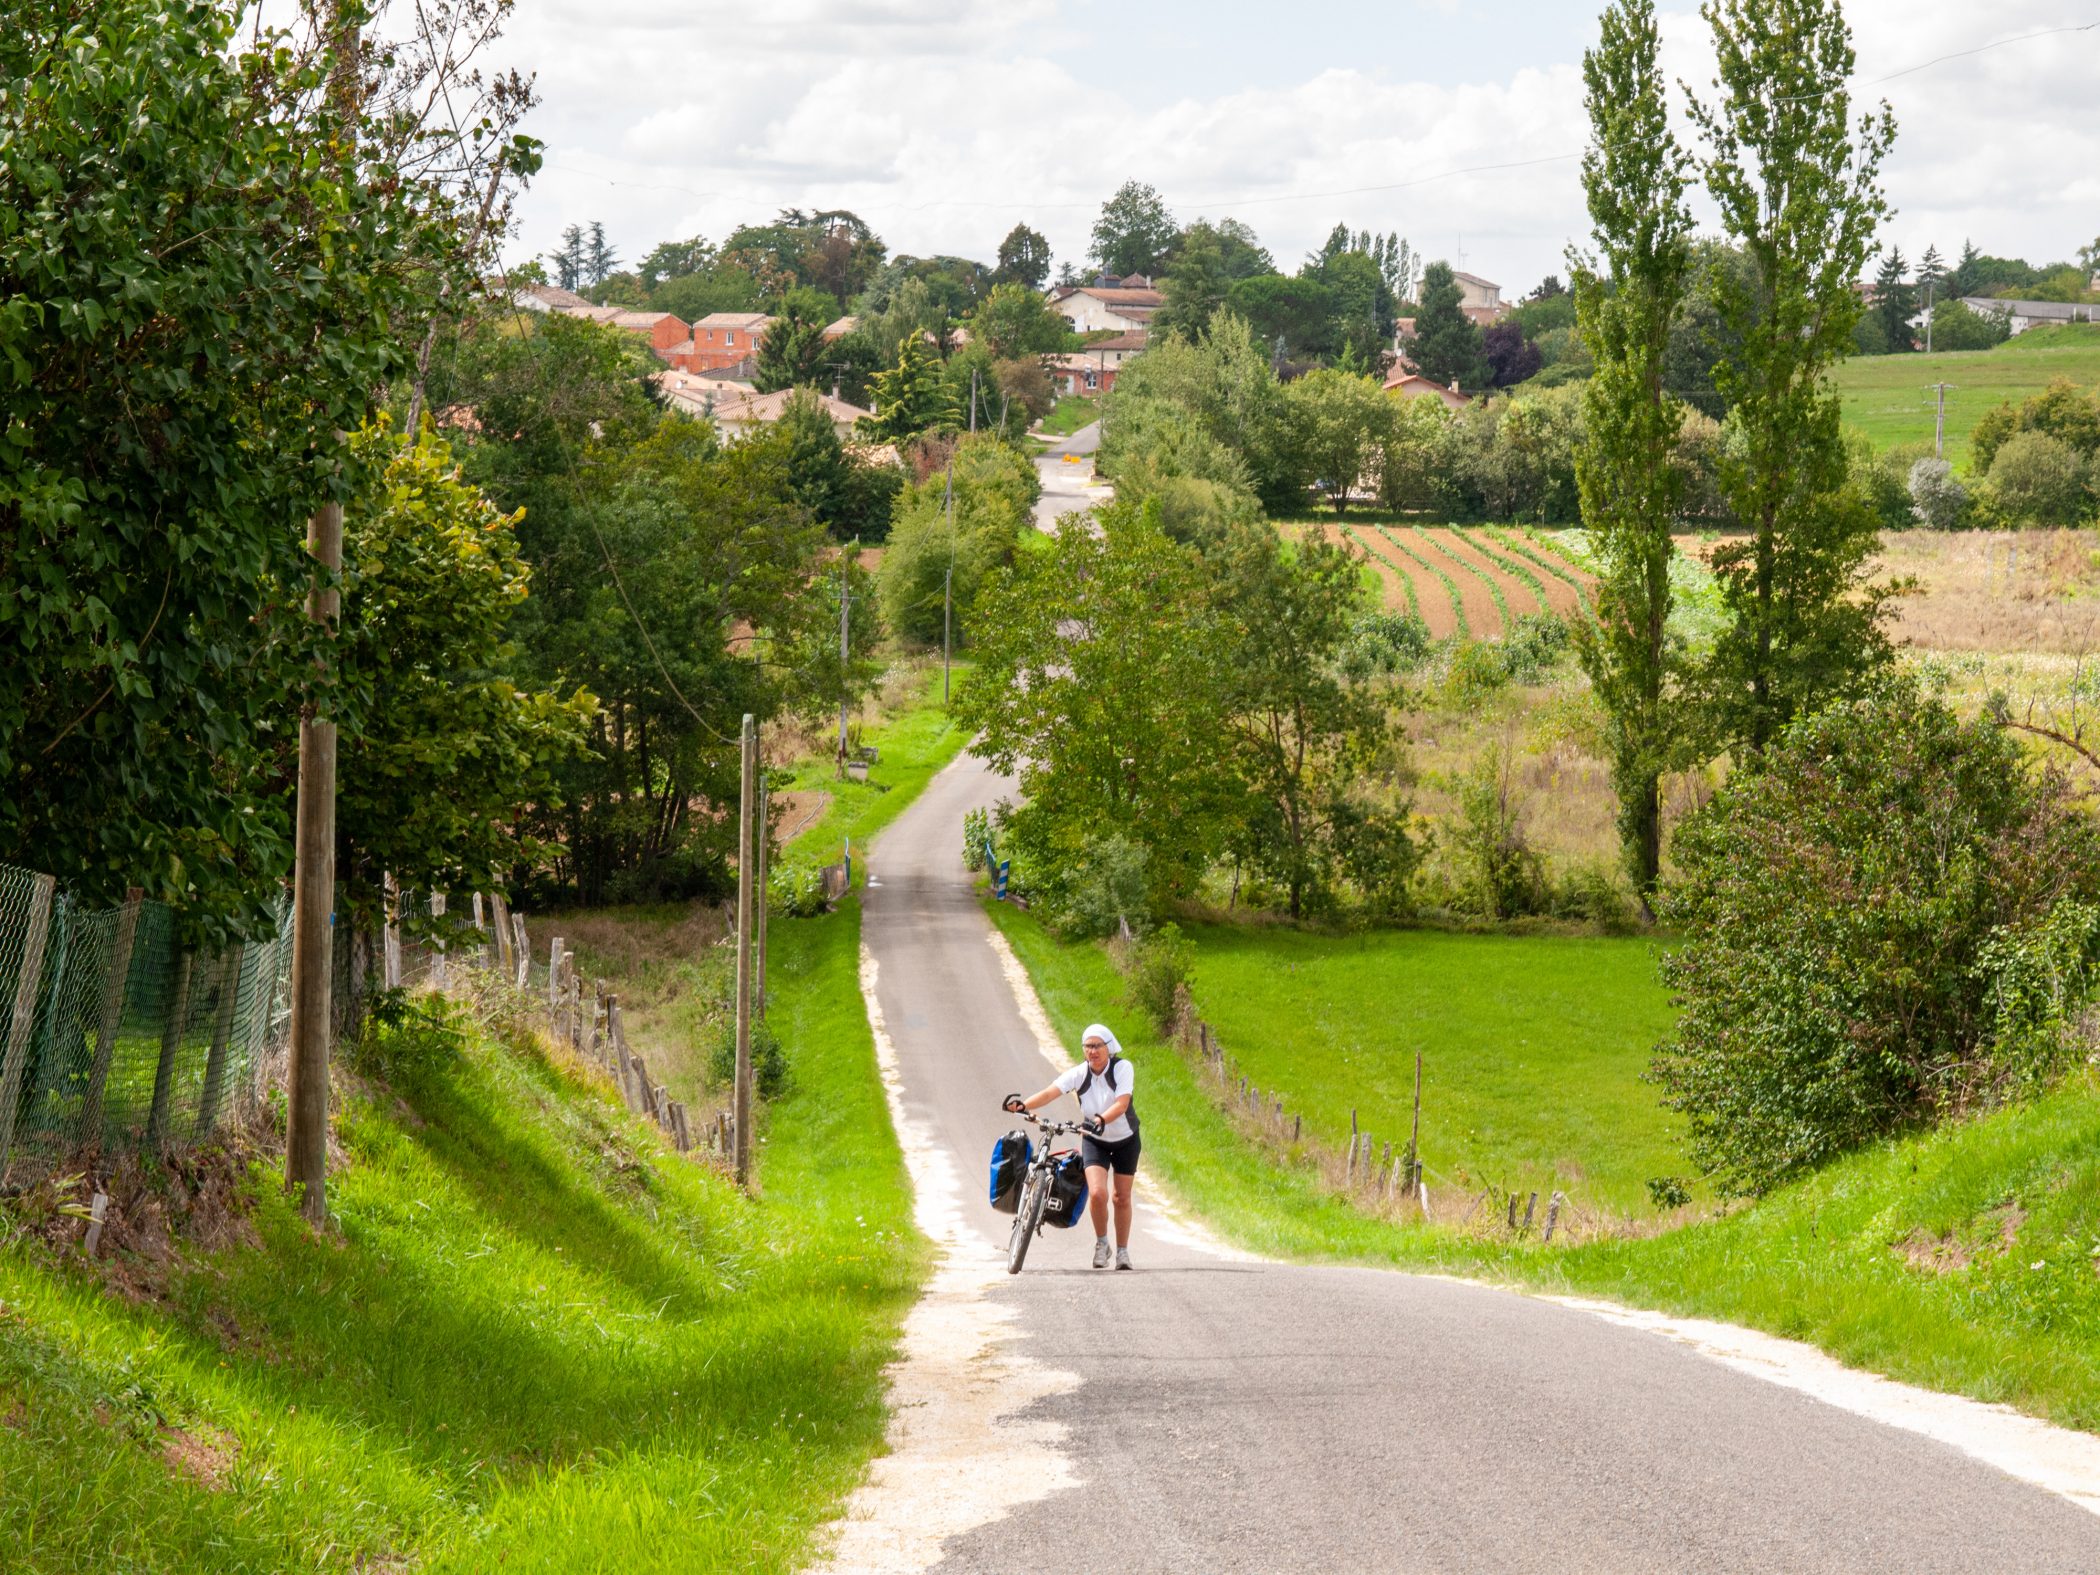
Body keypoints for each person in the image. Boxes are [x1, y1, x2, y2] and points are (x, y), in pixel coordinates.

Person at [1004, 1022, 1139, 1269]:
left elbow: (1122, 1104)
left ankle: (1122, 1252)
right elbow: (1050, 1092)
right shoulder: (1080, 1073)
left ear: (1109, 1048)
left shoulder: (1122, 1068)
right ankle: (1102, 1244)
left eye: (1097, 1046)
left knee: (1121, 1197)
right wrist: (1025, 1106)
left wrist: (1100, 1119)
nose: (1093, 1051)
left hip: (1125, 1140)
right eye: (1088, 1047)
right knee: (1097, 1194)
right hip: (1094, 1140)